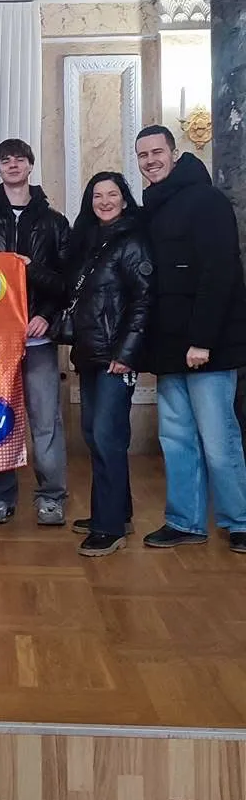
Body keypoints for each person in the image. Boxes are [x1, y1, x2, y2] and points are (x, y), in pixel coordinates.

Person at [135, 124, 246, 552]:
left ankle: (240, 521)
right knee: (177, 440)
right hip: (169, 348)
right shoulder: (154, 205)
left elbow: (221, 272)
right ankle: (185, 521)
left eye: (157, 152)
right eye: (143, 155)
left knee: (219, 440)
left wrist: (202, 340)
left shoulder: (206, 200)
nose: (150, 161)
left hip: (206, 346)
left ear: (174, 153)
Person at [0, 139, 69, 525]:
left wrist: (46, 316)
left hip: (38, 338)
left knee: (45, 421)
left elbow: (67, 282)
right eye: (5, 160)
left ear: (30, 166)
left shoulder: (54, 222)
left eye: (19, 159)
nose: (13, 165)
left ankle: (51, 497)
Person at [63, 172, 153, 556]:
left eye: (112, 194)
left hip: (116, 358)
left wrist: (126, 354)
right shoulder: (90, 241)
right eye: (97, 195)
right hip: (90, 355)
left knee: (107, 436)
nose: (104, 201)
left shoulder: (132, 240)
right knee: (95, 433)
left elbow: (144, 301)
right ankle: (118, 512)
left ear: (124, 199)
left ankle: (109, 527)